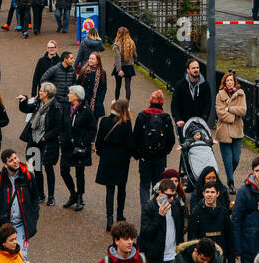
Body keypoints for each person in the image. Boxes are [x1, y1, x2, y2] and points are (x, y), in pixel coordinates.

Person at [0, 147, 40, 259]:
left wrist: (33, 217)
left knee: (21, 259)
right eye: (11, 160)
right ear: (5, 164)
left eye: (16, 158)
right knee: (1, 260)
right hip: (3, 227)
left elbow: (35, 199)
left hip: (21, 226)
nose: (15, 161)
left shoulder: (28, 177)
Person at [138, 175, 188, 263]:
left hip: (173, 258)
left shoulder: (175, 205)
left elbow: (180, 231)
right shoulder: (149, 208)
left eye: (173, 195)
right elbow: (147, 235)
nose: (171, 199)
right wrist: (159, 216)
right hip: (156, 260)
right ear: (160, 193)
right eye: (169, 196)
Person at [18, 81, 63, 205]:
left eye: (41, 91)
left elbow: (58, 127)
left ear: (47, 94)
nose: (39, 92)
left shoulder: (56, 107)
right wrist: (23, 100)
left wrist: (46, 137)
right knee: (35, 167)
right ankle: (40, 194)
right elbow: (26, 108)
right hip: (34, 139)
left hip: (47, 143)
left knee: (48, 168)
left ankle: (51, 196)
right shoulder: (38, 102)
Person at [133, 89, 176, 213]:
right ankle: (157, 209)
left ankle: (145, 210)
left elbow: (135, 137)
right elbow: (171, 139)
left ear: (150, 101)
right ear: (162, 102)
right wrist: (164, 152)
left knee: (144, 184)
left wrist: (138, 154)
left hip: (145, 157)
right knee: (158, 185)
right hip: (160, 157)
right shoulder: (166, 117)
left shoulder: (142, 116)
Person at [95, 98, 134, 230]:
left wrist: (102, 154)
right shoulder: (126, 124)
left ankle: (109, 219)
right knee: (121, 189)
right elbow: (130, 145)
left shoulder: (105, 121)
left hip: (107, 158)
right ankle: (120, 215)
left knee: (109, 190)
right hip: (122, 160)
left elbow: (99, 141)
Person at [59, 84, 96, 211]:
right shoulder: (66, 107)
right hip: (67, 145)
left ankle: (80, 197)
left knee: (79, 173)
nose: (68, 95)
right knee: (64, 170)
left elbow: (92, 129)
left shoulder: (86, 111)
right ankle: (73, 194)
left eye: (70, 93)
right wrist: (62, 138)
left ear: (77, 96)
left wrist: (83, 142)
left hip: (80, 148)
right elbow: (62, 123)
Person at [189, 178, 236, 263]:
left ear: (217, 194)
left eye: (212, 192)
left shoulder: (223, 212)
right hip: (202, 259)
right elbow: (192, 237)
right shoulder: (196, 212)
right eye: (207, 192)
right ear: (203, 193)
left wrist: (231, 260)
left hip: (220, 257)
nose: (209, 195)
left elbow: (229, 236)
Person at [213, 70, 247, 192]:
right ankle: (231, 183)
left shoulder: (241, 94)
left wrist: (229, 108)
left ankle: (228, 177)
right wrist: (234, 116)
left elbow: (243, 110)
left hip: (237, 131)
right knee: (227, 159)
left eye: (231, 80)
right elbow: (220, 113)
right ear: (224, 82)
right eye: (227, 81)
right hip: (224, 132)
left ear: (234, 82)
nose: (229, 82)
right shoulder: (219, 95)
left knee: (236, 159)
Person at [172, 56, 213, 136]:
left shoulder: (205, 85)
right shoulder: (180, 85)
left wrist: (204, 120)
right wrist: (178, 119)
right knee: (185, 146)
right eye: (193, 68)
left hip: (199, 123)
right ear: (188, 70)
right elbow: (174, 105)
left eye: (197, 68)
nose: (196, 70)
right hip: (184, 123)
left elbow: (208, 104)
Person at [78, 49, 108, 120]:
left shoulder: (102, 73)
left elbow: (104, 88)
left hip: (96, 103)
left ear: (97, 61)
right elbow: (78, 84)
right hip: (84, 101)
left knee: (94, 123)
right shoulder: (83, 70)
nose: (90, 60)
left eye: (92, 59)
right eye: (89, 58)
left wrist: (100, 100)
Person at [112, 26, 137, 102]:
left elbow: (118, 58)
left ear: (119, 34)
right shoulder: (131, 43)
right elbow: (135, 55)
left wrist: (119, 70)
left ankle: (116, 101)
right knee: (128, 87)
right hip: (129, 66)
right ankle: (127, 104)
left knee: (118, 86)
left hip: (120, 67)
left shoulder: (117, 45)